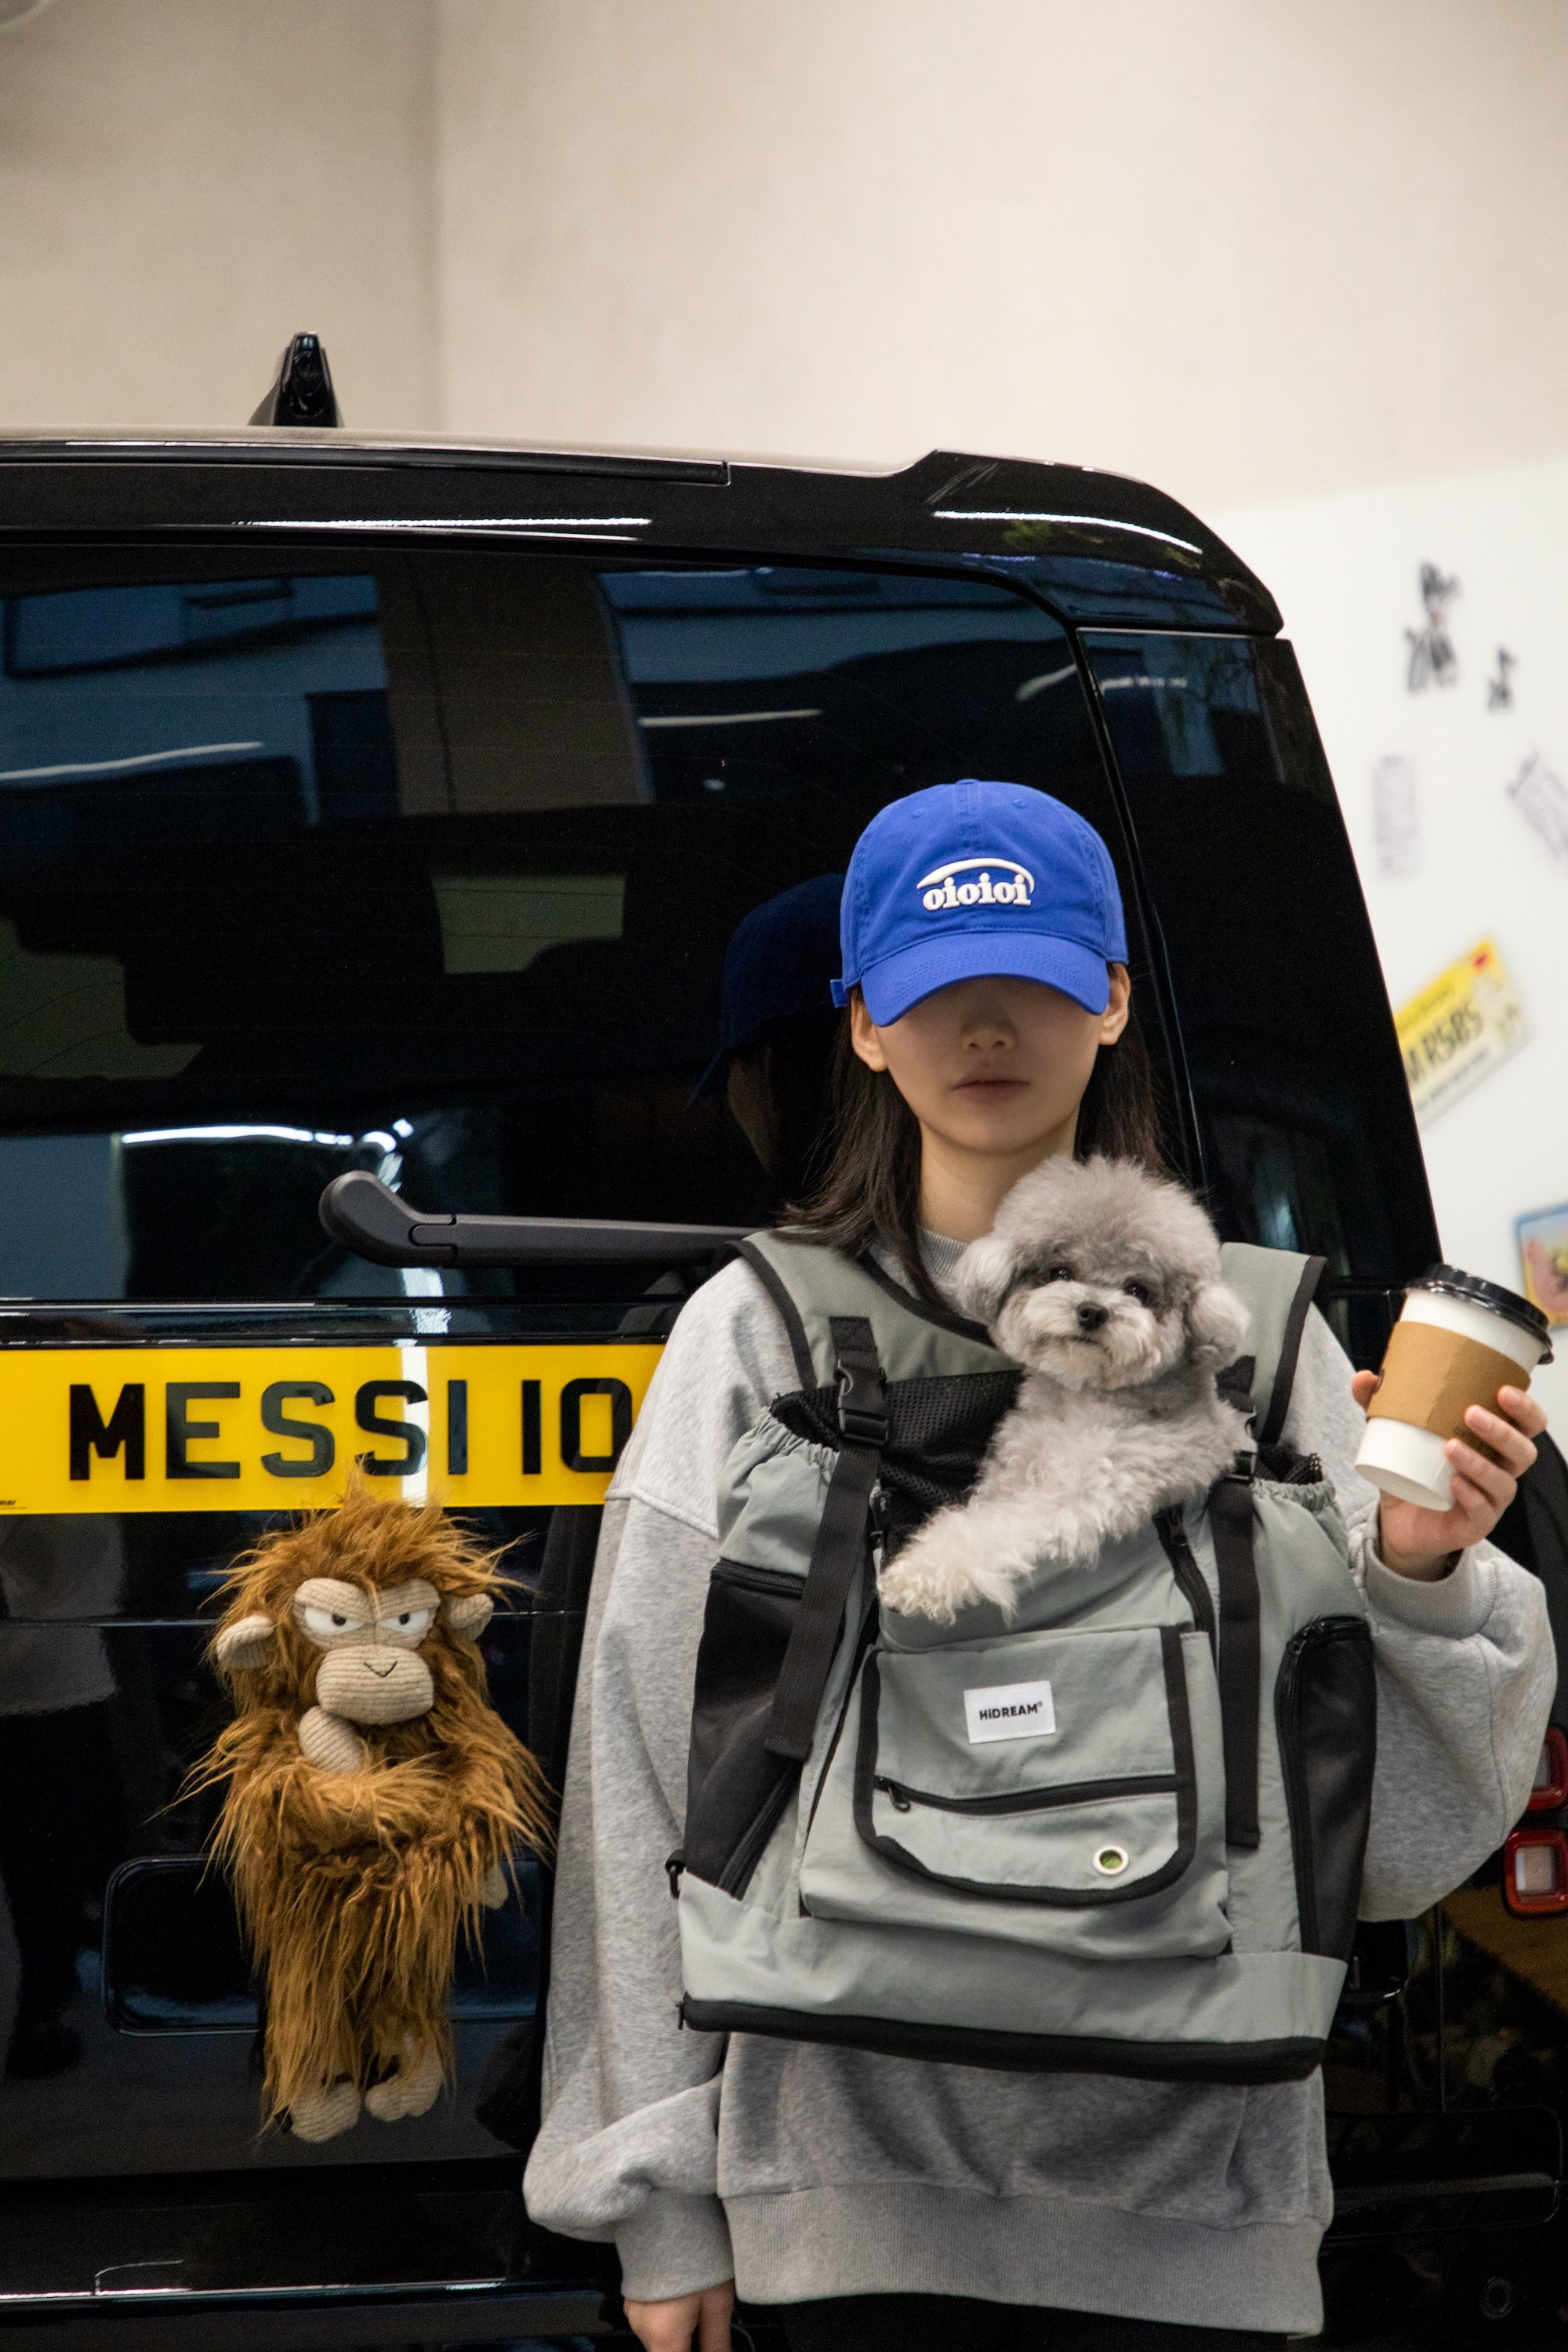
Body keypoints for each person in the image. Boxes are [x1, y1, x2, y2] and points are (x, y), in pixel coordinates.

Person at [524, 780, 1554, 2350]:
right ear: (862, 1023)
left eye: (1034, 981)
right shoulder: (754, 1334)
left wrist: (1421, 1583)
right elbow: (642, 1775)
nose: (986, 1027)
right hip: (842, 2215)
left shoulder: (1263, 1346)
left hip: (1202, 2216)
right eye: (939, 991)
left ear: (1115, 1005)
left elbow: (1398, 1850)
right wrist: (652, 2193)